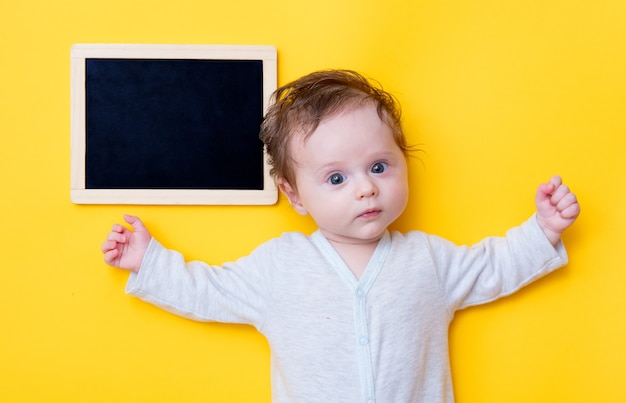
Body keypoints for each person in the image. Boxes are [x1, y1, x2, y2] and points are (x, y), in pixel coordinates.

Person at [101, 70, 580, 402]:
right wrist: (150, 261)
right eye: (336, 179)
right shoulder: (279, 266)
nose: (367, 188)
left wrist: (543, 229)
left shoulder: (428, 261)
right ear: (296, 197)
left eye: (379, 166)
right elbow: (209, 290)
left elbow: (494, 266)